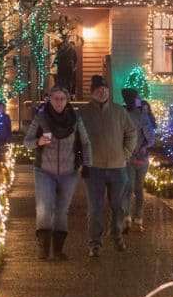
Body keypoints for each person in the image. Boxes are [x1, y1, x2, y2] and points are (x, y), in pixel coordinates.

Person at [23, 86, 92, 260]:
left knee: (62, 209)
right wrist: (38, 141)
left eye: (62, 99)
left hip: (69, 171)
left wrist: (87, 164)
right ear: (50, 99)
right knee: (44, 208)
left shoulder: (75, 119)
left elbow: (85, 143)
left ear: (67, 100)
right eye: (56, 99)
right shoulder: (41, 118)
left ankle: (58, 249)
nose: (59, 102)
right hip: (44, 170)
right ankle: (44, 248)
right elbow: (27, 142)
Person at [80, 75, 137, 256]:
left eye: (104, 88)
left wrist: (126, 153)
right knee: (95, 208)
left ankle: (117, 234)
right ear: (92, 92)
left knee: (119, 205)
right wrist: (81, 160)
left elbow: (131, 133)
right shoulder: (83, 113)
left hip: (118, 167)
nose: (102, 91)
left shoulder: (119, 111)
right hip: (94, 168)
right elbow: (76, 139)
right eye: (98, 89)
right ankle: (95, 243)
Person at [120, 87, 156, 233]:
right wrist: (146, 145)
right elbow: (151, 137)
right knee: (138, 189)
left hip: (127, 157)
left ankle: (126, 217)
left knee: (127, 189)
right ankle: (138, 219)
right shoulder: (141, 115)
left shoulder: (122, 114)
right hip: (141, 156)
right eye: (138, 96)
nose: (140, 98)